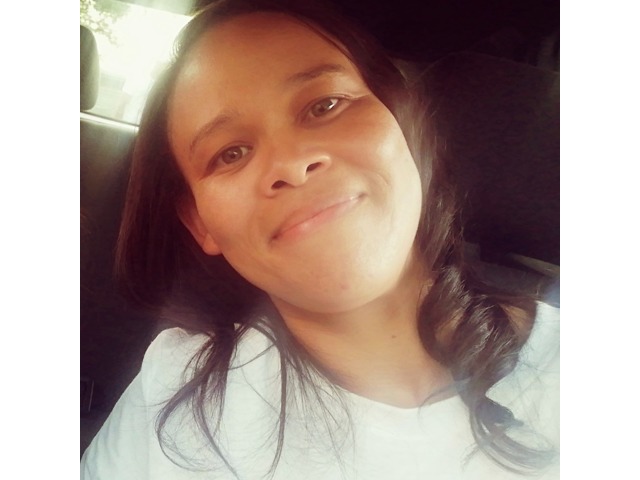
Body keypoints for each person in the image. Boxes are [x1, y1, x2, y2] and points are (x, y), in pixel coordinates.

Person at [81, 0, 559, 478]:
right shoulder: (173, 389)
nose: (291, 163)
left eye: (325, 105)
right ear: (200, 223)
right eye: (231, 153)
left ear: (404, 123)